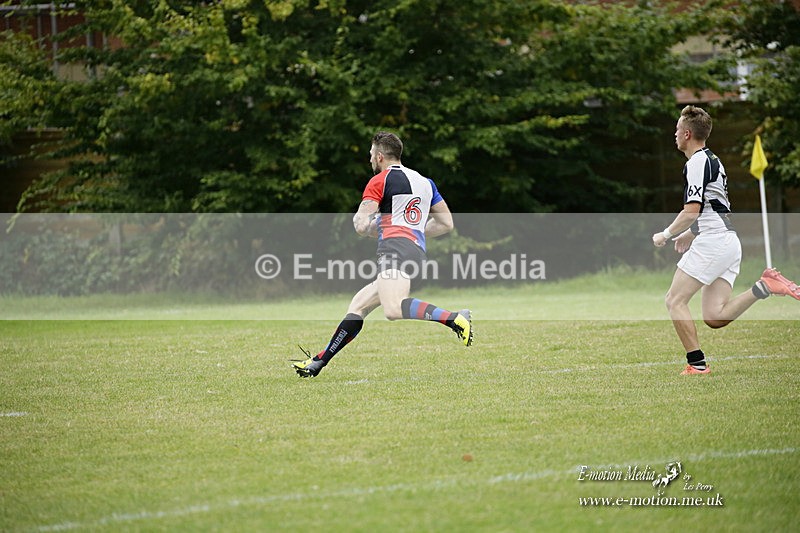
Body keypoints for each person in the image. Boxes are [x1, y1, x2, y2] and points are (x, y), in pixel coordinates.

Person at [293, 131, 472, 377]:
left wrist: (371, 226)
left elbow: (360, 224)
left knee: (393, 309)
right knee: (358, 306)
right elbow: (446, 224)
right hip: (415, 251)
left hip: (394, 250)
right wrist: (413, 230)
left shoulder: (380, 180)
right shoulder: (425, 182)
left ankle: (454, 318)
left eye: (370, 156)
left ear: (379, 156)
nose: (369, 160)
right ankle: (318, 362)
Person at [653, 105, 800, 375]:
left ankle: (697, 364)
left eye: (676, 130)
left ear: (686, 134)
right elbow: (714, 208)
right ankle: (764, 286)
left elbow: (692, 210)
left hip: (715, 241)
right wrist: (691, 232)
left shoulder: (695, 163)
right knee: (714, 316)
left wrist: (666, 234)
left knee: (674, 300)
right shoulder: (714, 160)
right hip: (727, 241)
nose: (674, 134)